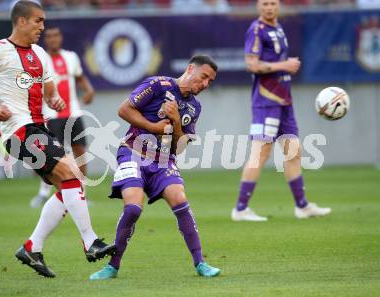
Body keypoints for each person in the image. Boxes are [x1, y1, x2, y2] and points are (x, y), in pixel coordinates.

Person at [0, 0, 115, 278]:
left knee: (68, 184)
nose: (42, 27)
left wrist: (55, 99)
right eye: (38, 21)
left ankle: (32, 247)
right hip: (18, 131)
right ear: (21, 21)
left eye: (43, 21)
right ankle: (91, 241)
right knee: (71, 173)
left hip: (39, 128)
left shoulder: (39, 54)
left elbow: (50, 90)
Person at [89, 55, 221, 280]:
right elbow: (124, 110)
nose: (206, 84)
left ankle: (200, 263)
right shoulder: (157, 85)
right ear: (190, 69)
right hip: (132, 152)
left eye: (210, 81)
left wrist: (177, 121)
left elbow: (179, 149)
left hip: (163, 160)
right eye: (204, 77)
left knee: (180, 200)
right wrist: (153, 126)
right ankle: (113, 266)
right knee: (133, 208)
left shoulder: (194, 107)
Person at [231, 0, 331, 222]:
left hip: (284, 101)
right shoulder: (256, 30)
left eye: (273, 3)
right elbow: (251, 64)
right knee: (260, 153)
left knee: (293, 151)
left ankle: (302, 206)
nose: (269, 7)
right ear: (258, 6)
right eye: (265, 3)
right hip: (266, 101)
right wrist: (283, 65)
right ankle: (240, 209)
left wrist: (282, 67)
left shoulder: (277, 27)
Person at [29, 26, 95, 208]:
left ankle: (82, 192)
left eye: (56, 35)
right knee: (51, 155)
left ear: (61, 38)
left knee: (80, 151)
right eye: (49, 36)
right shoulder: (39, 59)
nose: (53, 39)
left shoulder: (71, 57)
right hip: (51, 115)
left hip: (73, 113)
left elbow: (80, 77)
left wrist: (88, 90)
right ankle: (43, 194)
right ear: (45, 39)